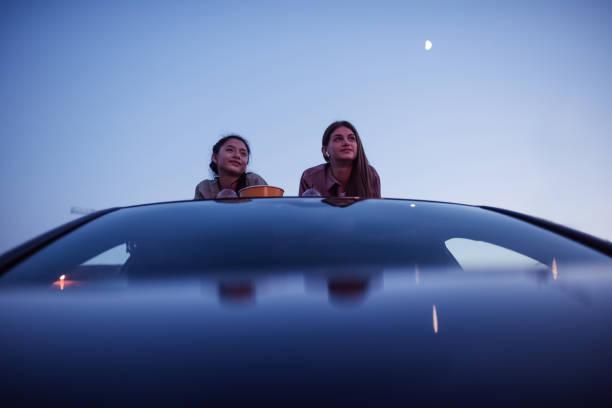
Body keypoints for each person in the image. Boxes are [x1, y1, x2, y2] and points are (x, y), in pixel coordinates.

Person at [299, 121, 381, 198]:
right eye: (338, 139)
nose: (346, 143)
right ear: (325, 150)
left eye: (351, 138)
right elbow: (305, 212)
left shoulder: (370, 175)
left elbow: (374, 211)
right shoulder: (310, 177)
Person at [194, 135, 267, 200]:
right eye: (230, 150)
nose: (237, 156)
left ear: (246, 163)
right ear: (215, 157)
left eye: (243, 153)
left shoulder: (254, 181)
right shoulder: (204, 188)